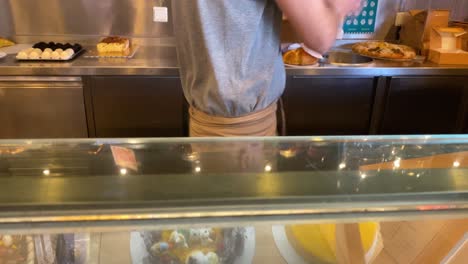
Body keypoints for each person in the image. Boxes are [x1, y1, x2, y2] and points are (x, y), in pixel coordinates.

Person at [172, 0, 361, 137]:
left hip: (205, 121)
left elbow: (236, 24)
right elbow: (321, 37)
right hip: (243, 132)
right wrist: (338, 6)